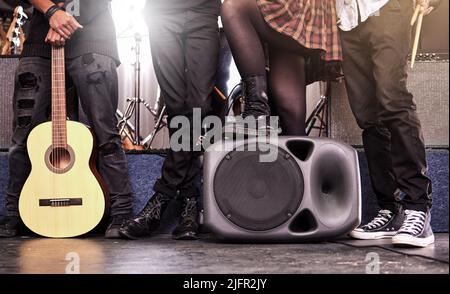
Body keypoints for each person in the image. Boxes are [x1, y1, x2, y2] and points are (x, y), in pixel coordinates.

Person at [0, 0, 133, 239]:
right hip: (40, 38)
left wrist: (62, 16)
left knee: (105, 133)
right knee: (22, 136)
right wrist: (51, 12)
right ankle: (14, 213)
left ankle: (122, 212)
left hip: (92, 33)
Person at [337, 0, 440, 247]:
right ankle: (390, 210)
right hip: (348, 18)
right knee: (368, 116)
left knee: (393, 100)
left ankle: (417, 207)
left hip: (389, 7)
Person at [118, 0, 221, 240]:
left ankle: (162, 195)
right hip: (162, 12)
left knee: (199, 106)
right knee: (176, 107)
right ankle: (189, 204)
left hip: (203, 12)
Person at [220, 0, 342, 136]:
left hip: (297, 8)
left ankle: (257, 112)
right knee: (290, 115)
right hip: (294, 24)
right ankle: (296, 152)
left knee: (235, 7)